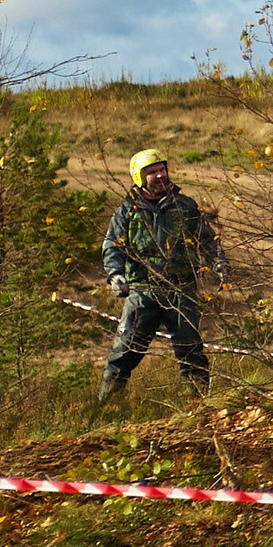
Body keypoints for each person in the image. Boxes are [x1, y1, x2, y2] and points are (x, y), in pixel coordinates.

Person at [98, 150, 226, 406]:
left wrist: (219, 262)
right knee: (124, 351)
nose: (159, 176)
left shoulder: (185, 206)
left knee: (190, 349)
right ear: (139, 177)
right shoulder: (127, 212)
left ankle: (201, 406)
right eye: (152, 172)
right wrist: (115, 275)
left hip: (181, 290)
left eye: (162, 170)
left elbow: (207, 238)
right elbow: (112, 246)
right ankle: (107, 407)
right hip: (142, 291)